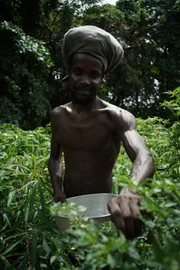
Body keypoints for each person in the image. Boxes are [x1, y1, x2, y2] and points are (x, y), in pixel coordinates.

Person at [48, 25, 155, 239]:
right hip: (68, 205)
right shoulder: (58, 115)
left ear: (102, 78)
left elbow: (144, 156)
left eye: (94, 74)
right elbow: (54, 157)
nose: (85, 81)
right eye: (78, 71)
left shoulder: (116, 117)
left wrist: (131, 189)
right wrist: (56, 188)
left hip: (103, 209)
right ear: (68, 72)